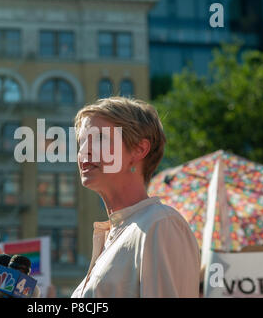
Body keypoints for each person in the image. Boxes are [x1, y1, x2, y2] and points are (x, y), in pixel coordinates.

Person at [71, 97, 200, 298]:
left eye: (99, 139)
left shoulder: (159, 224)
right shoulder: (118, 232)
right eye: (82, 141)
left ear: (139, 149)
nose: (84, 151)